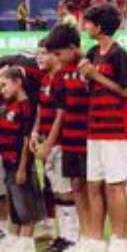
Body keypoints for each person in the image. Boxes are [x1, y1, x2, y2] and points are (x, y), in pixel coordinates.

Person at [80, 3, 127, 252]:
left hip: (114, 131)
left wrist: (95, 75)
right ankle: (94, 239)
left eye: (88, 22)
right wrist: (86, 78)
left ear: (99, 26)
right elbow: (90, 86)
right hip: (94, 130)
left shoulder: (118, 54)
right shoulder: (92, 52)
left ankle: (120, 239)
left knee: (115, 185)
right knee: (94, 184)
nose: (85, 26)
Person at [42, 25, 87, 252]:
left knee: (93, 190)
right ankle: (76, 238)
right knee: (74, 188)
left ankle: (88, 237)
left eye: (58, 54)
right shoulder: (60, 76)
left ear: (72, 47)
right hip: (69, 140)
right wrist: (48, 142)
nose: (56, 59)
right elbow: (61, 111)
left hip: (90, 141)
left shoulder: (89, 67)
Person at [31, 36, 76, 252]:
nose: (39, 57)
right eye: (37, 53)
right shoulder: (45, 79)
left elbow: (62, 114)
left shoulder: (60, 78)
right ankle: (64, 235)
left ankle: (72, 237)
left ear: (54, 55)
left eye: (43, 53)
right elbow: (41, 108)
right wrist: (34, 132)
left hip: (60, 143)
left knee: (65, 191)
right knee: (56, 191)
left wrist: (49, 143)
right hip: (47, 141)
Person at [0, 66, 42, 252]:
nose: (3, 90)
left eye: (4, 85)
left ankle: (26, 242)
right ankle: (14, 237)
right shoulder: (7, 104)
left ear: (17, 83)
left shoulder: (26, 106)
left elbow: (26, 139)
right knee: (15, 204)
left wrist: (23, 167)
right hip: (8, 162)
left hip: (20, 163)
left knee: (26, 204)